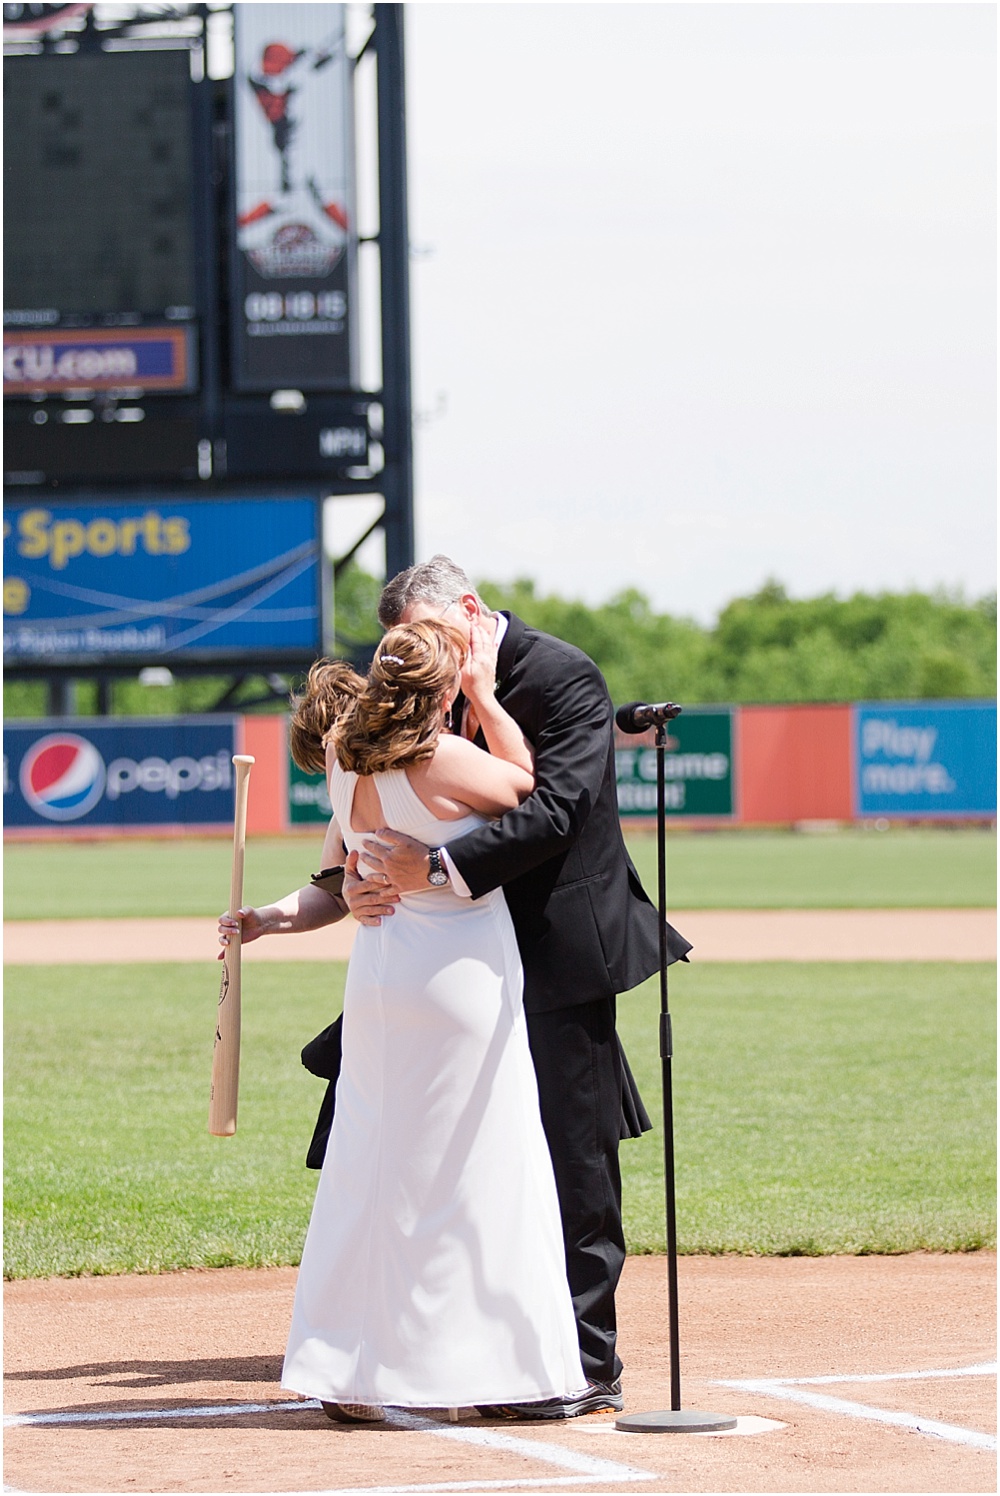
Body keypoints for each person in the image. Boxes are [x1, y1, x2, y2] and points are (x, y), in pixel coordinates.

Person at [338, 556, 692, 1420]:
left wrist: (437, 868)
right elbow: (370, 805)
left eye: (432, 635)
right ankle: (461, 1346)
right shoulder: (415, 676)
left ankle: (586, 1363)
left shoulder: (561, 673)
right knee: (436, 1146)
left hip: (556, 948)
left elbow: (559, 808)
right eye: (404, 644)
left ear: (470, 608)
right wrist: (351, 878)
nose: (419, 654)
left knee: (572, 1153)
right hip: (445, 956)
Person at [223, 619, 586, 1421]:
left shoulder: (344, 759)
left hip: (380, 977)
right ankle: (472, 1370)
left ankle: (352, 1371)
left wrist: (268, 919)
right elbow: (528, 788)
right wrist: (487, 697)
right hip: (456, 977)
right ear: (442, 687)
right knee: (475, 1169)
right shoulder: (441, 754)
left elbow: (336, 881)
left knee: (371, 1167)